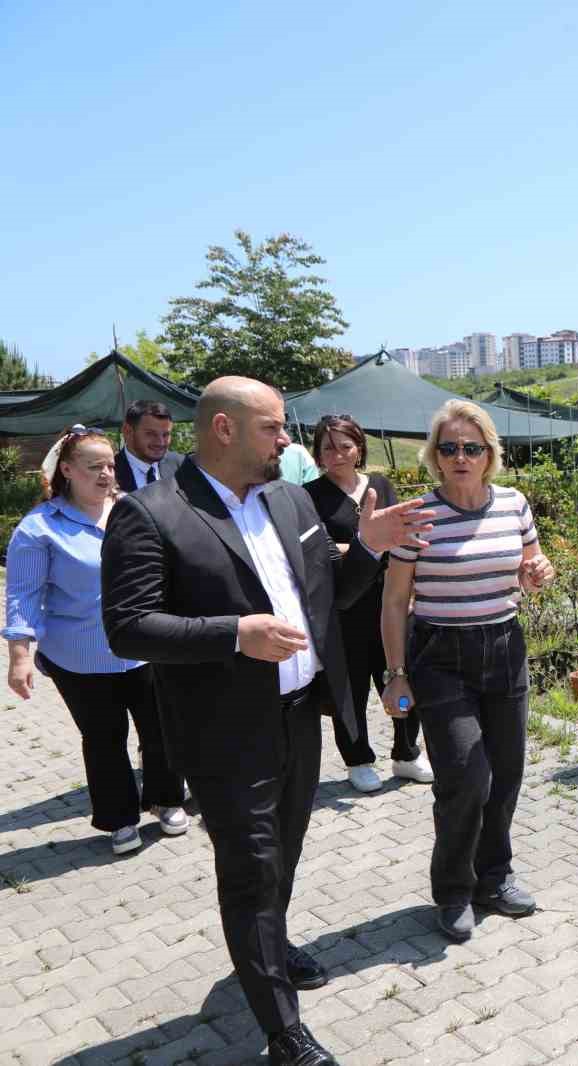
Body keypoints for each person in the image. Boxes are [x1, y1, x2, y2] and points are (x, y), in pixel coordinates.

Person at [101, 378, 434, 1066]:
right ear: (224, 429)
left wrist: (368, 550)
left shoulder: (288, 498)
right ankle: (283, 1031)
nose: (287, 440)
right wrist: (232, 633)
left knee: (283, 851)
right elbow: (128, 628)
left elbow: (326, 599)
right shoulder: (151, 513)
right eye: (274, 428)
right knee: (251, 868)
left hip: (298, 716)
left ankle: (268, 947)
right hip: (222, 730)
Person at [380, 399, 554, 943]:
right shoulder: (418, 518)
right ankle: (453, 888)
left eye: (471, 447)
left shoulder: (514, 504)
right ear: (434, 455)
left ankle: (494, 878)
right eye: (449, 447)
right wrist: (395, 674)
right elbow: (393, 601)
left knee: (505, 773)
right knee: (465, 777)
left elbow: (532, 567)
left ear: (489, 454)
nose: (460, 456)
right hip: (441, 658)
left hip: (504, 646)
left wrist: (538, 572)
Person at [4, 425, 186, 854]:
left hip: (145, 647)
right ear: (66, 470)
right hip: (81, 657)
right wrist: (19, 657)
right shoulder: (39, 529)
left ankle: (166, 799)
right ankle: (120, 819)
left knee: (160, 728)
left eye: (109, 465)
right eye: (93, 467)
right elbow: (23, 597)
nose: (105, 474)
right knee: (104, 739)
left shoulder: (133, 510)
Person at [303, 414, 431, 793]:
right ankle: (357, 759)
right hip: (344, 611)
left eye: (345, 445)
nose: (338, 454)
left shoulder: (380, 485)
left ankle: (407, 752)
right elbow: (317, 553)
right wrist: (369, 545)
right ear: (318, 454)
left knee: (401, 676)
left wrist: (364, 549)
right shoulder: (309, 496)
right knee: (351, 690)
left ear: (359, 448)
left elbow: (401, 539)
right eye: (328, 447)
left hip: (390, 604)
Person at [114, 399, 183, 492]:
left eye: (165, 435)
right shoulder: (109, 472)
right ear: (127, 431)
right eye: (151, 434)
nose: (160, 442)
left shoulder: (181, 466)